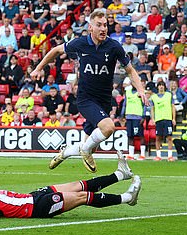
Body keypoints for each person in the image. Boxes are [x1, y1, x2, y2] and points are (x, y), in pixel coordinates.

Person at [32, 10, 148, 173]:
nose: (103, 29)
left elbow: (130, 70)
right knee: (108, 127)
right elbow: (56, 50)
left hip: (104, 100)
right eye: (99, 25)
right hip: (86, 98)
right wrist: (38, 68)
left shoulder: (114, 47)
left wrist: (141, 90)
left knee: (91, 145)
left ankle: (66, 152)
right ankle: (84, 151)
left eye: (105, 25)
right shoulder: (80, 43)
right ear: (90, 27)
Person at [0, 153, 141, 222]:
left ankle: (120, 174)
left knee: (77, 185)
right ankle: (126, 198)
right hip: (35, 208)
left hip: (33, 196)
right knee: (82, 196)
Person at [151, 81, 176, 161]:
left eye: (162, 85)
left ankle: (170, 156)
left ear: (164, 87)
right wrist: (153, 118)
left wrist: (173, 118)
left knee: (169, 137)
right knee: (158, 137)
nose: (161, 87)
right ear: (157, 87)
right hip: (158, 119)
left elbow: (173, 107)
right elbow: (152, 109)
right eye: (159, 85)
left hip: (167, 118)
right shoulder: (154, 97)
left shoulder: (169, 95)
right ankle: (158, 155)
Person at [121, 78, 146, 160]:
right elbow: (125, 104)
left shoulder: (141, 93)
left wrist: (143, 116)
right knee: (130, 136)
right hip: (129, 116)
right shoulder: (127, 92)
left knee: (140, 135)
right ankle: (131, 154)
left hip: (138, 117)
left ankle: (142, 154)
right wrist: (122, 114)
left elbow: (144, 105)